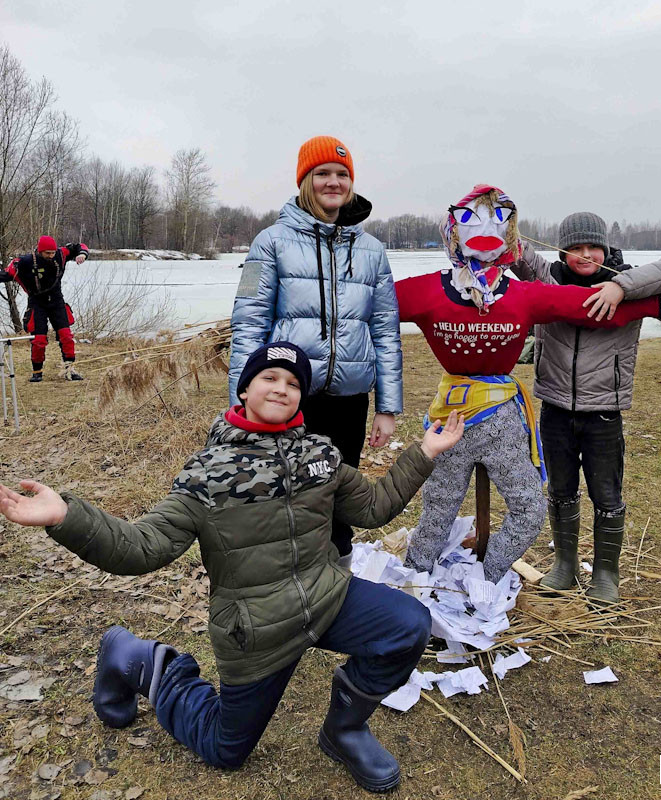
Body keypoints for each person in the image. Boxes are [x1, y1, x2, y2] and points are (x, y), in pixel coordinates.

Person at [0, 342, 465, 793]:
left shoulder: (321, 457)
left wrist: (422, 454)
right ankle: (139, 660)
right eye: (269, 377)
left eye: (293, 382)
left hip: (326, 598)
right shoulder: (206, 474)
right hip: (257, 629)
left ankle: (344, 731)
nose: (281, 388)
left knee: (409, 624)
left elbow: (375, 508)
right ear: (244, 389)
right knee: (225, 749)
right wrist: (66, 516)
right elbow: (141, 547)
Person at [395, 187, 661, 584]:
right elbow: (373, 305)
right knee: (438, 509)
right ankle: (416, 583)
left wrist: (648, 302)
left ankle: (488, 579)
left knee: (533, 507)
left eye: (498, 220)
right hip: (456, 418)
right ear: (453, 229)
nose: (585, 255)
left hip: (516, 418)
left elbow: (589, 310)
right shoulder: (431, 289)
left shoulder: (525, 294)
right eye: (472, 219)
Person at [228, 137, 401, 567]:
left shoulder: (372, 250)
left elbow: (385, 329)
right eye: (322, 173)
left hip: (349, 399)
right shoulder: (269, 242)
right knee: (285, 492)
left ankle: (338, 577)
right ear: (305, 180)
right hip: (288, 397)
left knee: (340, 492)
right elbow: (248, 320)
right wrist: (241, 395)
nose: (333, 182)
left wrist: (388, 406)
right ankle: (287, 583)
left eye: (342, 174)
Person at [512, 212, 661, 603]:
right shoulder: (549, 280)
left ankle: (606, 572)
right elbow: (516, 253)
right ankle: (565, 565)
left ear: (605, 249)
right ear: (563, 250)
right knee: (560, 489)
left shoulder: (632, 283)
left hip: (605, 411)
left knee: (606, 494)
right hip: (555, 408)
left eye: (593, 247)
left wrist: (619, 288)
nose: (585, 255)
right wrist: (493, 220)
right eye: (575, 248)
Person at [0, 235, 89, 381]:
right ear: (40, 251)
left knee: (66, 336)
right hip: (37, 303)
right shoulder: (25, 262)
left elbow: (80, 246)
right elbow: (7, 273)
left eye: (52, 252)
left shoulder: (61, 254)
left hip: (56, 301)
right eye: (47, 253)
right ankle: (37, 372)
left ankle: (69, 370)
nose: (51, 255)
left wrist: (82, 255)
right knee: (39, 340)